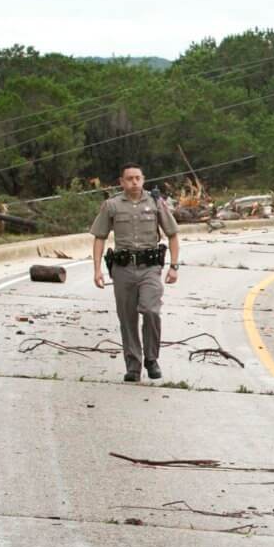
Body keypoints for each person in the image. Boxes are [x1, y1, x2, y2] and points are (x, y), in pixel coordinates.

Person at [91, 162, 180, 383]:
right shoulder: (111, 206)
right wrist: (97, 270)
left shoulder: (156, 202)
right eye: (129, 178)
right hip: (122, 269)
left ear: (143, 179)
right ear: (121, 182)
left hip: (150, 267)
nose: (134, 182)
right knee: (127, 317)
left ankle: (151, 358)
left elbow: (173, 234)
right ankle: (133, 365)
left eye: (137, 178)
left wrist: (174, 266)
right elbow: (99, 237)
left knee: (150, 310)